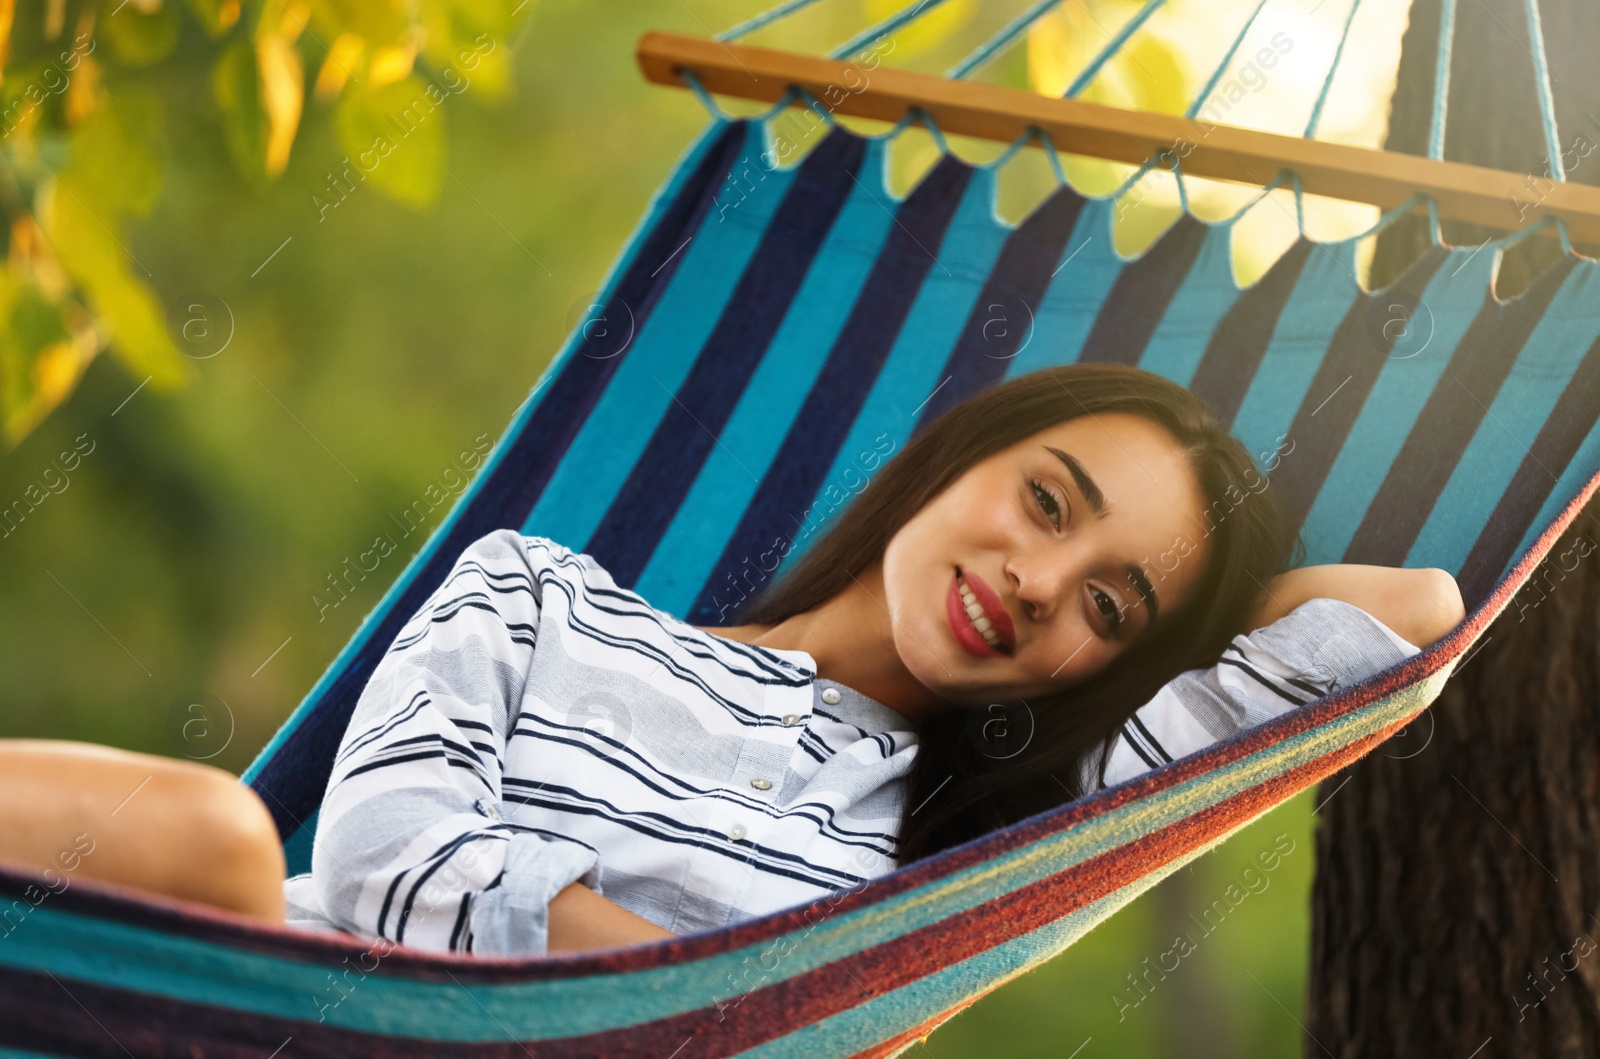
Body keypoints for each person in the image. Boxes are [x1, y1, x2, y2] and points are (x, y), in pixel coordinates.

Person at [0, 363, 1464, 953]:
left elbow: (1412, 611)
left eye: (1109, 606)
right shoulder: (537, 595)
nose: (1035, 584)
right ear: (956, 456)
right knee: (207, 833)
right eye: (1046, 501)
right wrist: (702, 1002)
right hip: (254, 1003)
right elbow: (381, 857)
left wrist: (1190, 628)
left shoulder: (963, 848)